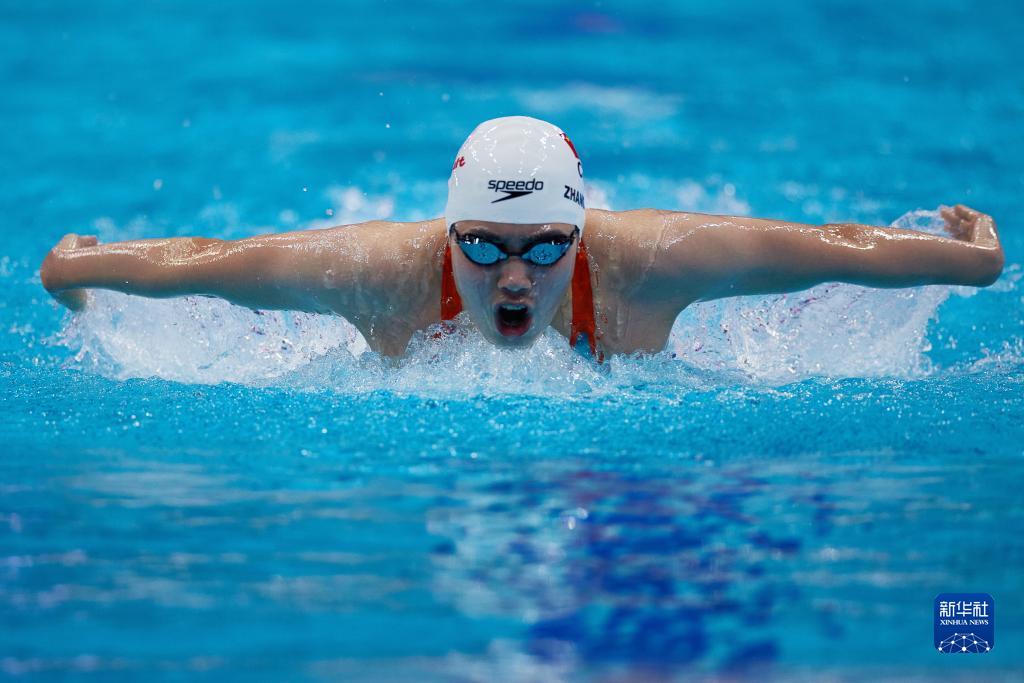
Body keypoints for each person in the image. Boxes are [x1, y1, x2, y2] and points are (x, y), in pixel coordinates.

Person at [40, 116, 1004, 361]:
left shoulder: (648, 264)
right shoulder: (383, 273)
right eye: (483, 245)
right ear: (448, 232)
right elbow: (213, 263)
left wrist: (975, 260)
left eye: (544, 247)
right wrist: (80, 268)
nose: (510, 275)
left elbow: (826, 245)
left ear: (579, 240)